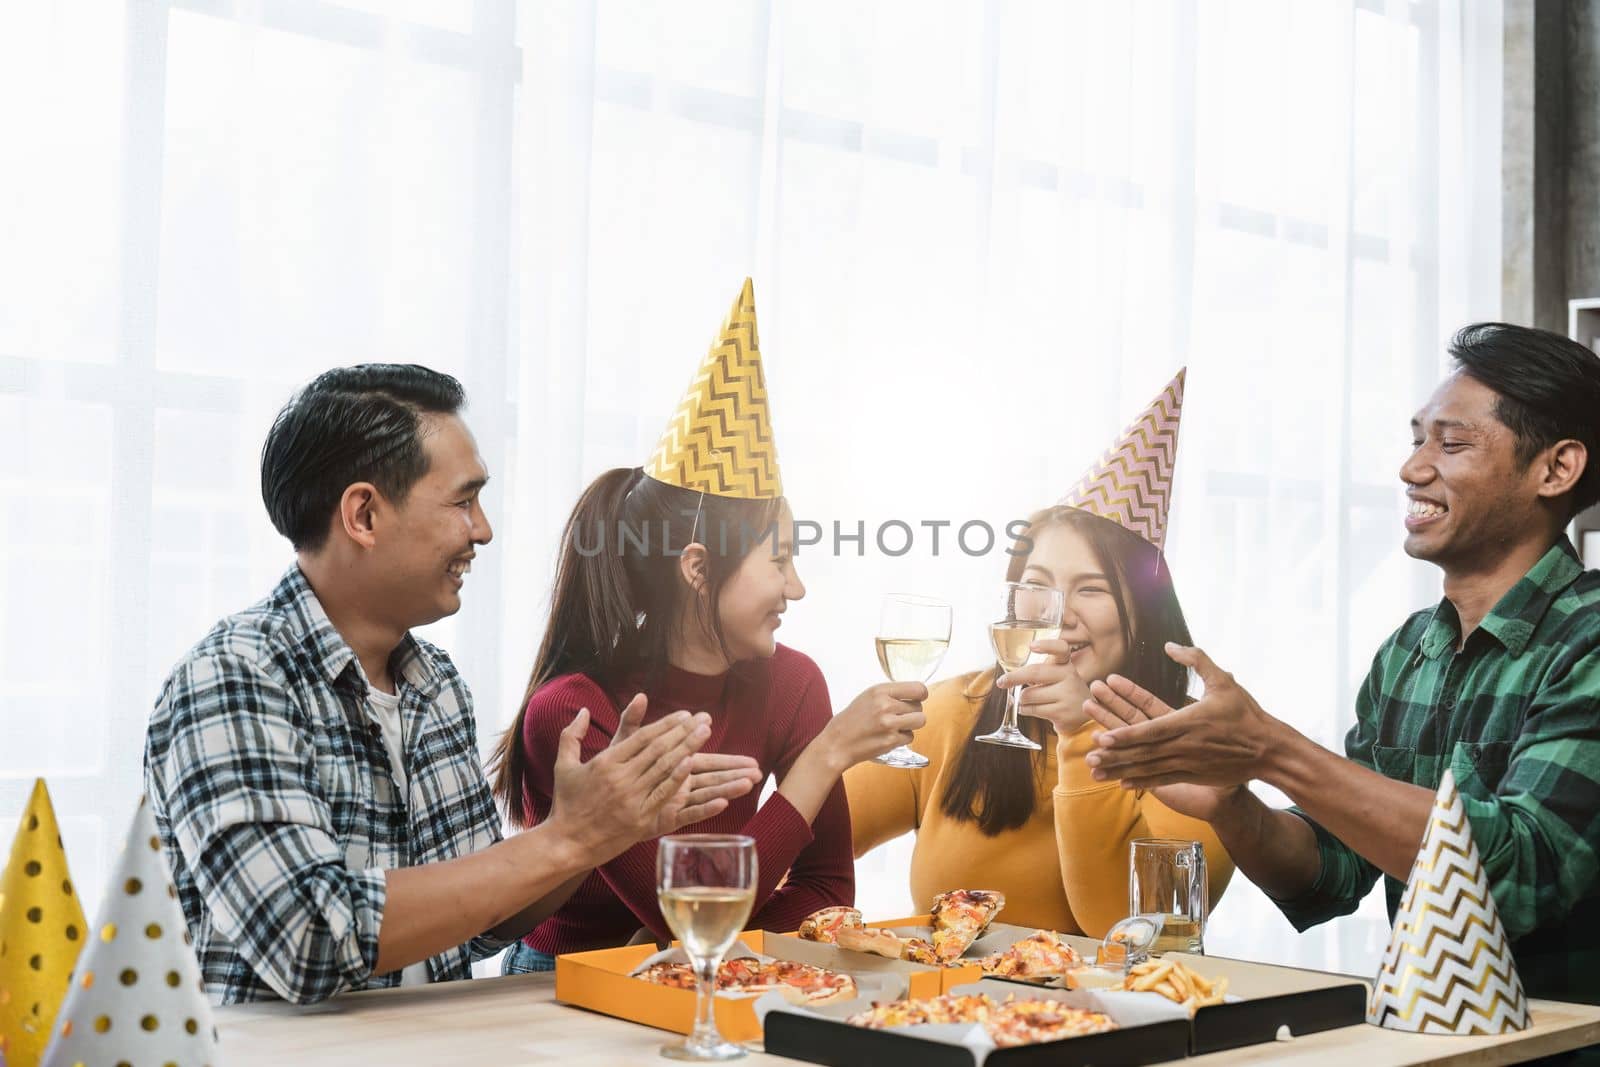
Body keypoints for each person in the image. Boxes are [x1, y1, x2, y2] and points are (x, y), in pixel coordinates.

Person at [145, 364, 755, 1005]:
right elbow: (307, 939)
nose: (483, 529)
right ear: (363, 514)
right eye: (463, 500)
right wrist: (568, 837)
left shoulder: (434, 685)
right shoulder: (234, 678)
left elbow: (484, 926)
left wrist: (601, 831)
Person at [1082, 324, 1600, 1006]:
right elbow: (1327, 873)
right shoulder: (1408, 652)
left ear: (1556, 469)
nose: (1413, 468)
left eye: (1451, 442)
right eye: (1417, 439)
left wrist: (1271, 748)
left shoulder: (1587, 639)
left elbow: (1523, 874)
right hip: (1423, 1043)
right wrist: (1233, 804)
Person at [490, 280, 927, 972]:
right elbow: (679, 909)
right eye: (779, 559)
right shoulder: (572, 712)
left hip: (711, 973)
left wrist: (692, 940)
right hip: (556, 985)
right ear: (697, 566)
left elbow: (826, 893)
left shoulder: (793, 681)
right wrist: (823, 757)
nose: (797, 586)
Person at [847, 371, 1233, 935]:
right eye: (1037, 584)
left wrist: (1082, 733)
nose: (1054, 614)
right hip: (946, 1010)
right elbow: (809, 845)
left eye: (1093, 589)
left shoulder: (1199, 747)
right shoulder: (957, 707)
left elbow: (1128, 933)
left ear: (1143, 618)